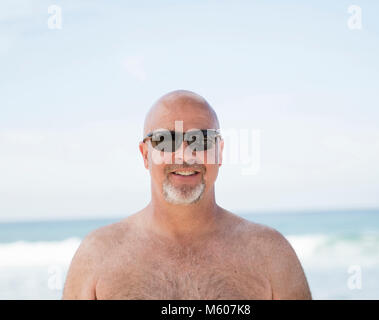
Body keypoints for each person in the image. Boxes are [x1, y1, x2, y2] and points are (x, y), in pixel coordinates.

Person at [62, 90, 312, 299]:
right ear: (145, 154)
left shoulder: (270, 254)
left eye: (201, 140)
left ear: (220, 152)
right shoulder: (97, 255)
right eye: (165, 140)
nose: (184, 154)